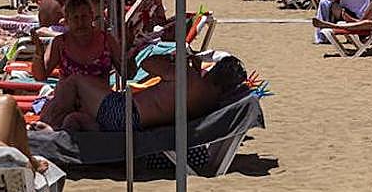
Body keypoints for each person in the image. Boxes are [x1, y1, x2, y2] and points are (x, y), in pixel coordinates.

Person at [49, 53, 247, 132]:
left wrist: (175, 58)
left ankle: (44, 125)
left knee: (73, 80)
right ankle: (55, 131)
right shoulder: (211, 101)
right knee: (74, 118)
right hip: (134, 125)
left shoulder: (187, 75)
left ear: (213, 70)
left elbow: (147, 63)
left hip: (123, 113)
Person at [32, 0, 121, 128]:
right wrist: (38, 54)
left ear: (92, 16)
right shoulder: (60, 43)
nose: (80, 22)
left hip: (96, 102)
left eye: (84, 17)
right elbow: (40, 76)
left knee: (74, 82)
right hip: (67, 104)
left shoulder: (107, 41)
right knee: (70, 117)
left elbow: (127, 73)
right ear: (67, 21)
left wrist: (128, 49)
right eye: (75, 18)